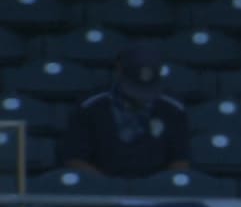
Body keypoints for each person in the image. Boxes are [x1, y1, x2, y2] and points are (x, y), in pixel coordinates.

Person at [60, 44, 190, 178]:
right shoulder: (90, 107)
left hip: (155, 192)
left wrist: (154, 188)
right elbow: (74, 159)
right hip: (101, 191)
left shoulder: (173, 109)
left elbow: (180, 161)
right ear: (119, 70)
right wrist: (108, 187)